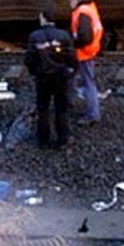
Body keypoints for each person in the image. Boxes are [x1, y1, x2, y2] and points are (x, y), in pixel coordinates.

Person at [25, 9, 77, 148]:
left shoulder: (35, 36)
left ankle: (44, 140)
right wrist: (71, 71)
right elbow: (71, 57)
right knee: (61, 108)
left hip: (42, 76)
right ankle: (63, 139)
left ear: (43, 19)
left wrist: (34, 71)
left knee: (43, 108)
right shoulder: (64, 35)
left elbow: (29, 58)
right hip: (61, 76)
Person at [67, 0, 104, 125]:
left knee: (87, 83)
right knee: (72, 78)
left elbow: (84, 37)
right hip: (89, 50)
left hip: (82, 52)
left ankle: (92, 114)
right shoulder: (90, 8)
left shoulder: (82, 13)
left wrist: (71, 45)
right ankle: (68, 102)